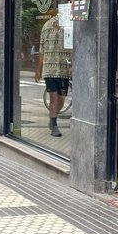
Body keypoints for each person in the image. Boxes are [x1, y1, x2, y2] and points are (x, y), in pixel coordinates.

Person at [35, 10, 72, 138]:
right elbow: (41, 49)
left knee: (61, 98)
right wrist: (38, 69)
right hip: (50, 68)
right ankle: (54, 123)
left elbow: (72, 47)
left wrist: (72, 65)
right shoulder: (47, 26)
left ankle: (53, 116)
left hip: (63, 69)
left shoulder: (68, 25)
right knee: (54, 98)